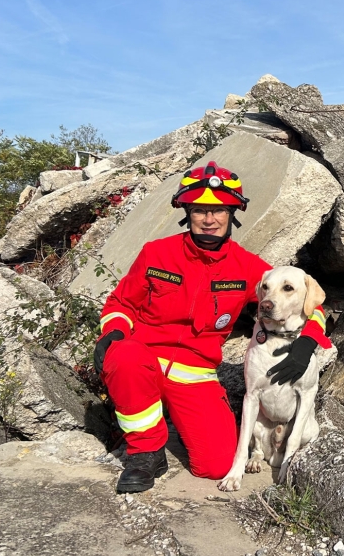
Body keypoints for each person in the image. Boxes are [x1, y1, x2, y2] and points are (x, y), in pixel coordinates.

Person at [93, 161, 331, 493]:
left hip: (195, 371)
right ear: (187, 213)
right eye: (200, 210)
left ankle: (174, 427)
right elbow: (121, 303)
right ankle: (145, 452)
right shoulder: (155, 254)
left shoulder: (248, 268)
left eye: (219, 210)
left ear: (232, 215)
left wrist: (306, 344)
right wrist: (113, 333)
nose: (209, 219)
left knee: (216, 465)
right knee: (124, 355)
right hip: (145, 359)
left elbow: (309, 304)